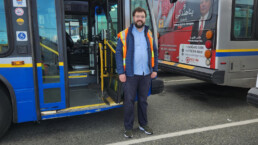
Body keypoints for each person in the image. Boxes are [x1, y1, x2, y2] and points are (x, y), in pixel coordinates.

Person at [115, 7, 158, 138]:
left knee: (143, 101)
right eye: (138, 16)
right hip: (130, 74)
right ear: (134, 18)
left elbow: (154, 52)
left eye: (142, 16)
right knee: (129, 101)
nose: (140, 19)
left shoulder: (149, 34)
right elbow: (118, 54)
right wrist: (121, 72)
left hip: (146, 74)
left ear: (145, 18)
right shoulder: (124, 34)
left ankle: (143, 124)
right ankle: (128, 127)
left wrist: (155, 69)